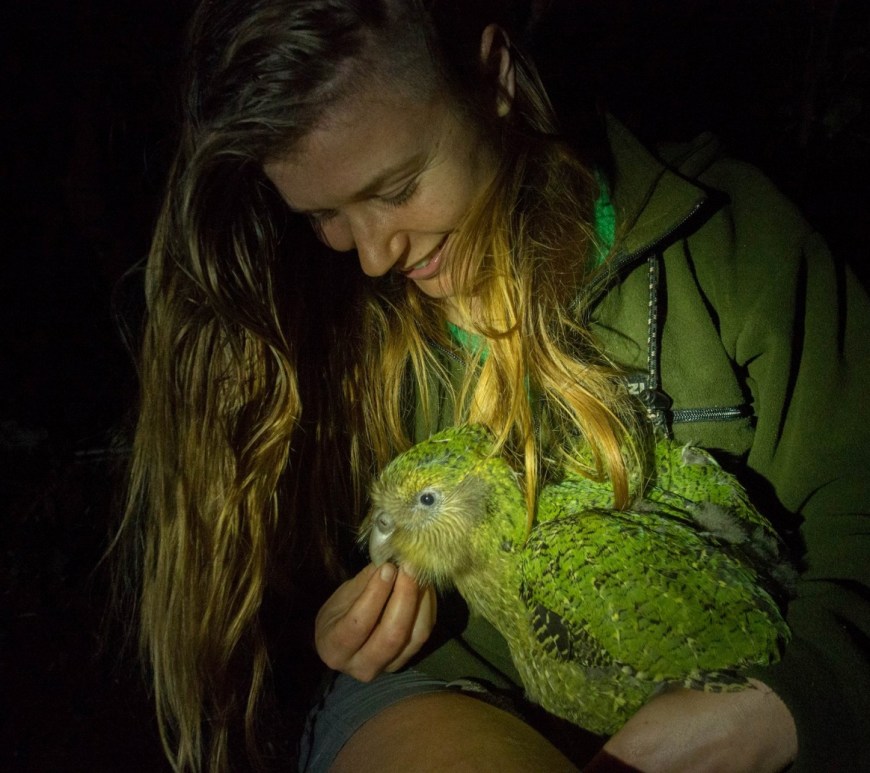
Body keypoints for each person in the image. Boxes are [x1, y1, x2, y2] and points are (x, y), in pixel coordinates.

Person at [121, 0, 869, 770]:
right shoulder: (351, 332)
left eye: (397, 187)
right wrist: (364, 619)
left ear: (494, 80)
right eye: (324, 216)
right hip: (460, 686)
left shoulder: (729, 249)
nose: (373, 254)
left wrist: (788, 704)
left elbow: (856, 504)